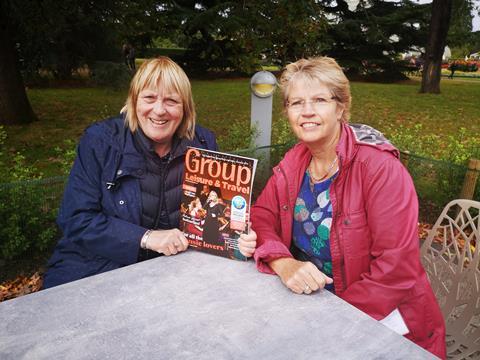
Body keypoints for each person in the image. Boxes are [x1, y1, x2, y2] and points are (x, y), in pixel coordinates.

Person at [243, 57, 446, 358]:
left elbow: (395, 269)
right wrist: (283, 263)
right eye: (296, 102)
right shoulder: (296, 160)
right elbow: (262, 215)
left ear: (340, 108)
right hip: (311, 305)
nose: (307, 111)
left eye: (319, 100)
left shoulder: (379, 169)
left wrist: (328, 320)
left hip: (383, 322)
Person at [43, 57, 256, 288]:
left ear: (185, 108)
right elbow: (76, 219)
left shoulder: (203, 144)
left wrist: (237, 237)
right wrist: (145, 238)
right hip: (95, 267)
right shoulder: (102, 142)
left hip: (174, 269)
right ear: (134, 101)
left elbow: (213, 215)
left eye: (172, 101)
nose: (159, 110)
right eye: (149, 98)